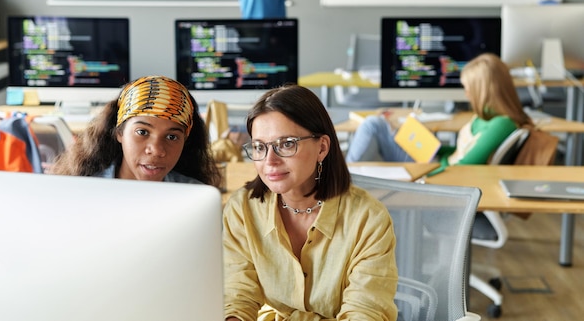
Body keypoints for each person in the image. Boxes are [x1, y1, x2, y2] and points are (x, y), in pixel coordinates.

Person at [223, 84, 398, 321]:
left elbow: (365, 312)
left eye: (286, 144)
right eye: (259, 147)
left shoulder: (368, 219)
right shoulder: (241, 209)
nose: (270, 161)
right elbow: (237, 297)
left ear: (322, 147)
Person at [345, 53, 534, 174]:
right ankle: (341, 179)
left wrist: (428, 169)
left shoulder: (501, 124)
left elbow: (463, 168)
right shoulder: (489, 117)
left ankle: (337, 184)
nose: (466, 93)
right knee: (380, 124)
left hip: (435, 172)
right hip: (434, 161)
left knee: (373, 125)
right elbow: (462, 153)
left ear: (482, 91)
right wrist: (432, 147)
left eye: (469, 88)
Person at [50, 75, 221, 186]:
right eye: (142, 132)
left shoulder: (196, 197)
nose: (156, 150)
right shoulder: (81, 191)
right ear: (119, 132)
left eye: (171, 136)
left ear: (186, 140)